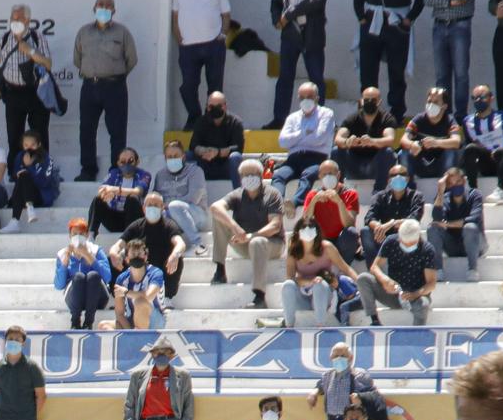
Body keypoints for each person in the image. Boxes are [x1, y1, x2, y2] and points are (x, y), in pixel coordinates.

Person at [352, 0, 424, 121]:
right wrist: (361, 17)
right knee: (367, 70)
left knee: (396, 71)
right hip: (372, 23)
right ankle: (367, 111)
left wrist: (409, 19)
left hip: (397, 24)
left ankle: (396, 113)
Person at [73, 0, 138, 182]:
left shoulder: (122, 32)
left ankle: (116, 171)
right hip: (89, 86)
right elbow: (77, 59)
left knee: (117, 131)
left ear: (114, 10)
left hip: (114, 86)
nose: (103, 8)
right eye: (100, 5)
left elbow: (131, 59)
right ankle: (88, 169)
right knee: (86, 129)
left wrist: (115, 75)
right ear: (94, 9)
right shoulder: (83, 32)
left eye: (107, 5)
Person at [210, 159, 284, 308]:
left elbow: (275, 225)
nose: (249, 178)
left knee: (258, 242)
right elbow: (215, 207)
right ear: (240, 177)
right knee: (219, 218)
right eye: (245, 175)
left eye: (253, 174)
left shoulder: (272, 194)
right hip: (243, 242)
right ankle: (220, 269)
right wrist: (234, 227)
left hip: (272, 244)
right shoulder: (237, 194)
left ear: (261, 175)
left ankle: (260, 296)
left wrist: (252, 236)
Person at [271, 0, 331, 130]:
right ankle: (279, 119)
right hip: (290, 35)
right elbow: (276, 3)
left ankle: (319, 119)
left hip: (311, 34)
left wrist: (289, 13)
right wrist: (277, 20)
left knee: (316, 78)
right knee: (285, 77)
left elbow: (316, 1)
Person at [171, 0, 230, 131]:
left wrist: (223, 35)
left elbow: (226, 14)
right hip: (188, 46)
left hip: (213, 44)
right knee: (188, 86)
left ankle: (213, 121)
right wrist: (178, 36)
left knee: (215, 86)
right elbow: (175, 15)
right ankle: (195, 116)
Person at [0, 2, 53, 154]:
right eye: (13, 17)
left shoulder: (38, 38)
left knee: (40, 134)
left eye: (19, 18)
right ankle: (15, 171)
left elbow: (48, 64)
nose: (15, 21)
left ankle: (42, 168)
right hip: (13, 93)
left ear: (27, 21)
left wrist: (30, 51)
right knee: (14, 135)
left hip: (37, 93)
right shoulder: (2, 39)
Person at [425, 0, 479, 124]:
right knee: (441, 74)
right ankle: (443, 115)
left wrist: (442, 0)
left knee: (461, 73)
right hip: (439, 28)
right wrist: (452, 1)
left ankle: (460, 115)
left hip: (460, 27)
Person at [282, 214, 358, 329]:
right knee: (287, 285)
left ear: (317, 231)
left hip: (323, 294)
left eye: (311, 228)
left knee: (320, 285)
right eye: (304, 228)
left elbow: (345, 268)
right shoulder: (293, 250)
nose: (307, 231)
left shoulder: (327, 247)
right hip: (303, 294)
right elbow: (290, 278)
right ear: (297, 232)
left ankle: (320, 326)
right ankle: (288, 326)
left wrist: (361, 283)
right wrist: (309, 281)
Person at [360, 218, 437, 325]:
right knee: (363, 279)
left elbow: (431, 283)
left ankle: (418, 332)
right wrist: (385, 280)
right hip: (393, 293)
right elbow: (374, 267)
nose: (406, 246)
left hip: (416, 295)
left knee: (423, 305)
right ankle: (375, 321)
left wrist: (416, 294)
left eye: (410, 244)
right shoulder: (391, 241)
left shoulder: (427, 250)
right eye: (403, 243)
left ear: (417, 239)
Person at [460, 83, 503, 203]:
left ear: (491, 98)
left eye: (482, 97)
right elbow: (471, 145)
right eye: (475, 98)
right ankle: (473, 191)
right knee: (470, 149)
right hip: (488, 163)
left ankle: (501, 191)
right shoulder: (467, 122)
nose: (479, 100)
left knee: (501, 153)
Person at [122, 195, 189, 305]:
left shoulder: (169, 225)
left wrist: (175, 255)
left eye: (156, 205)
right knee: (115, 257)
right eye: (149, 205)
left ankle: (166, 297)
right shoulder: (136, 225)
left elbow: (180, 243)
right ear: (143, 208)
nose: (152, 207)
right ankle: (123, 297)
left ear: (162, 207)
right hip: (141, 267)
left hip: (162, 266)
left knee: (178, 257)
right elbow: (120, 243)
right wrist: (114, 252)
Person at [308, 340, 381, 420]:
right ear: (331, 358)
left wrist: (361, 398)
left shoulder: (360, 375)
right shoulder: (327, 375)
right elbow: (320, 386)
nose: (339, 358)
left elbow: (374, 395)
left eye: (343, 356)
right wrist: (314, 392)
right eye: (335, 356)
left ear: (350, 358)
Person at [274, 82, 337, 195]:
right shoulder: (292, 117)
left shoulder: (326, 114)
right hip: (293, 160)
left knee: (307, 175)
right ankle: (277, 207)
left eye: (309, 97)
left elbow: (319, 139)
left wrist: (294, 140)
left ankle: (295, 203)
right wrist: (304, 133)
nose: (305, 100)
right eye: (302, 98)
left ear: (317, 98)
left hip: (316, 158)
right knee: (278, 176)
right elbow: (283, 142)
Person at [333, 87, 399, 191]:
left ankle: (378, 192)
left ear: (379, 102)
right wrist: (348, 142)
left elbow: (390, 139)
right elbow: (338, 138)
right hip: (354, 164)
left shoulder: (387, 118)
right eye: (366, 99)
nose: (369, 102)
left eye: (373, 100)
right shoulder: (352, 118)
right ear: (361, 101)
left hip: (375, 165)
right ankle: (338, 189)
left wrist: (372, 141)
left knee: (388, 152)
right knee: (337, 151)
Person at [297, 159, 362, 263]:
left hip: (341, 240)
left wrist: (339, 202)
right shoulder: (313, 195)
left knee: (351, 233)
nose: (328, 177)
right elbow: (305, 222)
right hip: (321, 241)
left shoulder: (350, 193)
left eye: (331, 173)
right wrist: (314, 201)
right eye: (324, 174)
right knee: (305, 232)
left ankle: (344, 267)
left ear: (338, 175)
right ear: (320, 177)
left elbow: (349, 223)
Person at [427, 165, 485, 279]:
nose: (455, 186)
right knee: (432, 228)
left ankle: (472, 270)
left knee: (470, 227)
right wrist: (440, 191)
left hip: (475, 243)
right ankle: (438, 270)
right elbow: (437, 218)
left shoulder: (475, 195)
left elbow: (474, 218)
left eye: (458, 181)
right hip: (453, 245)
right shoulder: (444, 198)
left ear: (464, 180)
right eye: (451, 183)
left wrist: (448, 224)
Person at [359, 163, 423, 266]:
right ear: (388, 180)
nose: (398, 177)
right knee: (365, 231)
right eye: (394, 175)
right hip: (383, 238)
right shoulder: (380, 196)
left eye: (402, 174)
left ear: (407, 178)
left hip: (404, 237)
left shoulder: (416, 196)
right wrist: (378, 227)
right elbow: (369, 217)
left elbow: (414, 219)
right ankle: (374, 270)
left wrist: (391, 223)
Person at [152, 139, 210, 253]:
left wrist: (167, 205)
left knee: (174, 206)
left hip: (196, 215)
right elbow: (156, 197)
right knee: (156, 213)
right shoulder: (160, 175)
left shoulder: (195, 171)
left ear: (183, 156)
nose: (172, 159)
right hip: (170, 216)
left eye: (176, 156)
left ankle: (198, 244)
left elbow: (193, 198)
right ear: (165, 158)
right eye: (169, 156)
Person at [54, 221, 112, 330]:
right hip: (74, 299)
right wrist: (65, 261)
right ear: (69, 236)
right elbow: (59, 285)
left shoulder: (96, 250)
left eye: (81, 234)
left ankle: (88, 323)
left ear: (86, 235)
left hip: (97, 298)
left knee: (93, 275)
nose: (78, 237)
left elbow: (107, 277)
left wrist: (88, 256)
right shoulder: (63, 253)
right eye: (74, 234)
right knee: (79, 277)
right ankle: (75, 322)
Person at [400, 86, 463, 179]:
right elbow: (403, 140)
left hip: (441, 165)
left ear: (444, 106)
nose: (431, 105)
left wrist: (435, 143)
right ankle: (408, 187)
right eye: (429, 101)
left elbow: (456, 142)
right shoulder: (418, 119)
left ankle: (447, 187)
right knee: (403, 153)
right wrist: (412, 144)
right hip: (420, 163)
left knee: (451, 152)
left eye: (436, 102)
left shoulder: (450, 120)